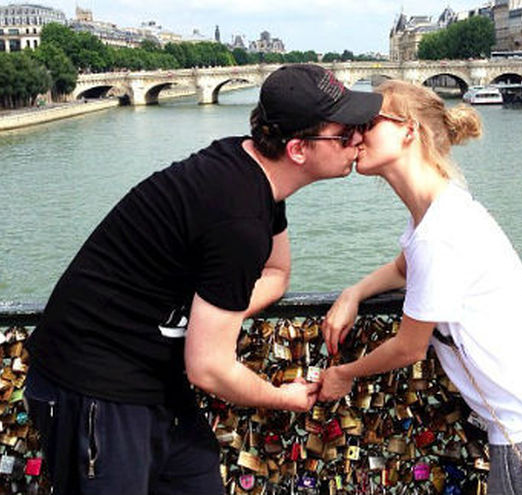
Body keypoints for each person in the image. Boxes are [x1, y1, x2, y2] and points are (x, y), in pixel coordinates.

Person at [24, 64, 382, 495]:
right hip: (91, 386)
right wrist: (281, 397)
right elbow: (209, 368)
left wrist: (209, 318)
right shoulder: (238, 220)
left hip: (157, 380)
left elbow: (277, 274)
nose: (359, 140)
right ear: (297, 150)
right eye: (344, 135)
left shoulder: (250, 169)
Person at [318, 80, 522, 495]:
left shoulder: (439, 232)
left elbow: (409, 348)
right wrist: (354, 293)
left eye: (369, 123)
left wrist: (343, 374)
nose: (355, 136)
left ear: (409, 130)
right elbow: (402, 269)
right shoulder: (442, 210)